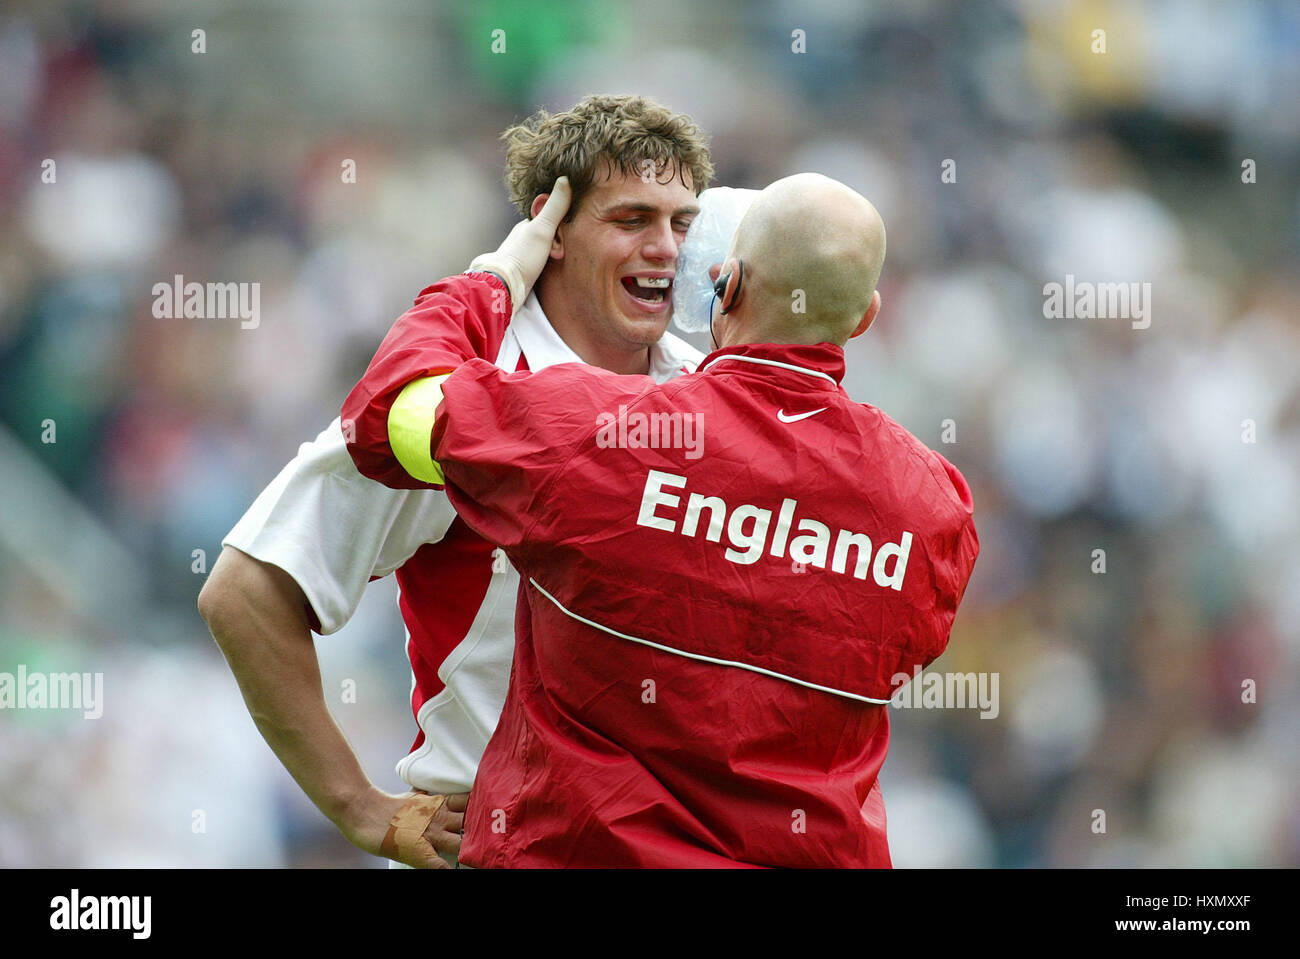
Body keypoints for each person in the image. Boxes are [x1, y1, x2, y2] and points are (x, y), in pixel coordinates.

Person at [341, 172, 981, 867]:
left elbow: (391, 409)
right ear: (865, 317)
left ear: (725, 286)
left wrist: (495, 278)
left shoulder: (600, 435)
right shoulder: (934, 507)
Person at [197, 94, 713, 868]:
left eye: (682, 222)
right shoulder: (458, 397)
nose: (665, 247)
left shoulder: (708, 390)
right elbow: (243, 592)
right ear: (555, 227)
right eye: (632, 219)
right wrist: (358, 805)